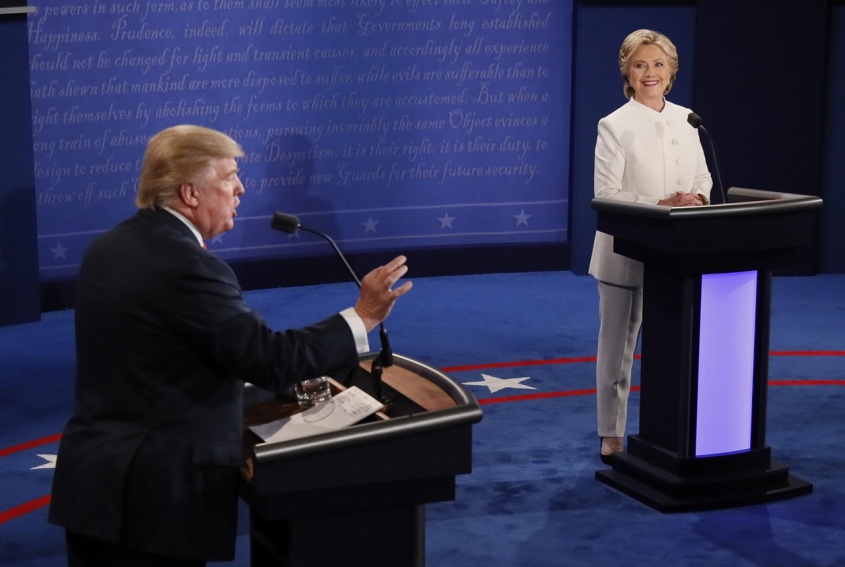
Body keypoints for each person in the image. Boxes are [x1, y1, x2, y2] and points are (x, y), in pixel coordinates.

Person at [48, 124, 413, 566]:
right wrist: (364, 315)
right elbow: (268, 359)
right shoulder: (187, 265)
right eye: (228, 176)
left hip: (98, 483)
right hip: (153, 501)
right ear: (190, 193)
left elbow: (163, 356)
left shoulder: (110, 246)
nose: (240, 188)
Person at [589, 30, 712, 461]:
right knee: (618, 352)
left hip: (678, 255)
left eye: (658, 64)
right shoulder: (614, 124)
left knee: (674, 351)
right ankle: (611, 433)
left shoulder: (688, 119)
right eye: (639, 65)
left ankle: (672, 432)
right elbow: (606, 193)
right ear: (627, 72)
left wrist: (697, 198)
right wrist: (660, 204)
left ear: (671, 71)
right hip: (625, 253)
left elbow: (703, 176)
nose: (649, 73)